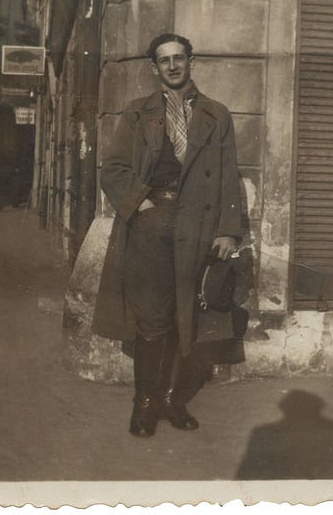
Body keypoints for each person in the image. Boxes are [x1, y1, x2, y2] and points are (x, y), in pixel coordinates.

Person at [92, 33, 243, 438]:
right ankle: (145, 405)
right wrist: (142, 208)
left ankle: (174, 401)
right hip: (151, 226)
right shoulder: (137, 113)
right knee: (152, 321)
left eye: (179, 58)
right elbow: (114, 169)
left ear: (191, 61)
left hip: (198, 227)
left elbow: (229, 176)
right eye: (164, 60)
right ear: (154, 68)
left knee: (186, 319)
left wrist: (229, 230)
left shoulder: (216, 114)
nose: (173, 66)